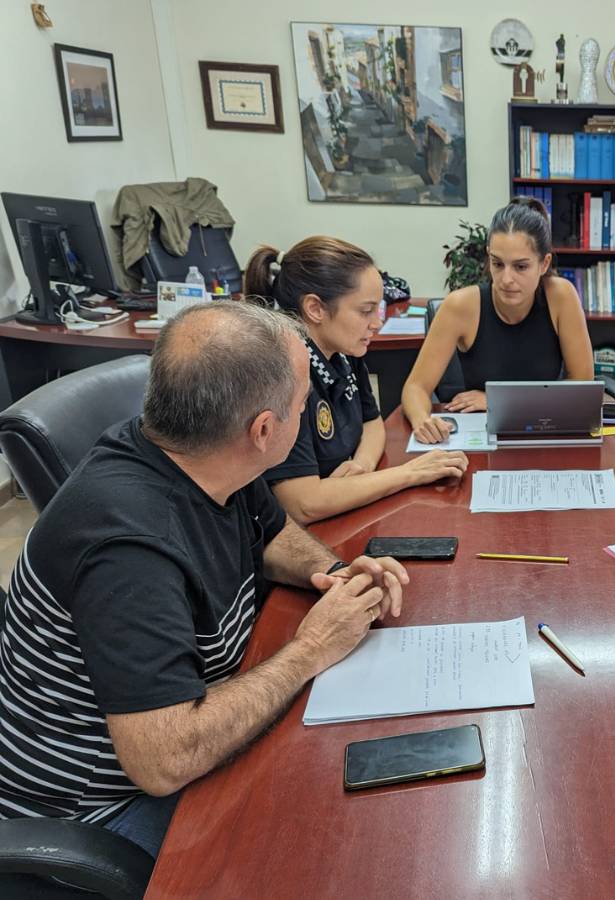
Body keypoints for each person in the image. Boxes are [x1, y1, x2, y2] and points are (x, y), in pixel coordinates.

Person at [0, 302, 410, 858]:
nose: (304, 413)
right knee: (344, 837)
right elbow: (163, 761)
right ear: (264, 430)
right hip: (100, 813)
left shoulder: (207, 453)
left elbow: (274, 535)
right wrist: (312, 647)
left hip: (190, 720)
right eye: (299, 406)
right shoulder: (129, 547)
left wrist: (335, 574)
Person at [243, 237, 468, 523]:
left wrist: (361, 466)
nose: (377, 322)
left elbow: (372, 423)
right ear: (315, 308)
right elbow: (304, 503)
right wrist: (411, 473)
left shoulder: (345, 352)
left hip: (344, 514)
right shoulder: (282, 373)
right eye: (365, 311)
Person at [401, 197, 595, 443]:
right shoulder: (459, 306)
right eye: (497, 264)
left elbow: (582, 385)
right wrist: (423, 421)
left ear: (544, 263)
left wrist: (496, 402)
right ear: (488, 257)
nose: (506, 279)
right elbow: (415, 387)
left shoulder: (561, 296)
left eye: (521, 267)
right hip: (481, 435)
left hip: (545, 429)